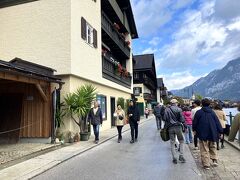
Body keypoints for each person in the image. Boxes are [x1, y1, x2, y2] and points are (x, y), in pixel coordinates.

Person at [193, 98, 223, 170]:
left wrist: (194, 130)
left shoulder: (199, 112)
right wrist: (221, 131)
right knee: (212, 146)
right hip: (213, 132)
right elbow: (217, 122)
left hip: (202, 133)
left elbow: (195, 123)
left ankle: (206, 164)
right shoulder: (212, 112)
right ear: (209, 104)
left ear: (201, 104)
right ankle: (214, 160)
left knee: (204, 148)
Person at [163, 99, 186, 164]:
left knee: (172, 143)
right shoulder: (179, 109)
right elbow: (182, 119)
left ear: (170, 103)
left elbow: (164, 119)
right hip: (178, 127)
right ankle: (181, 156)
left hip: (170, 128)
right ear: (176, 103)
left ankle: (174, 158)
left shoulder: (167, 109)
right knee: (181, 141)